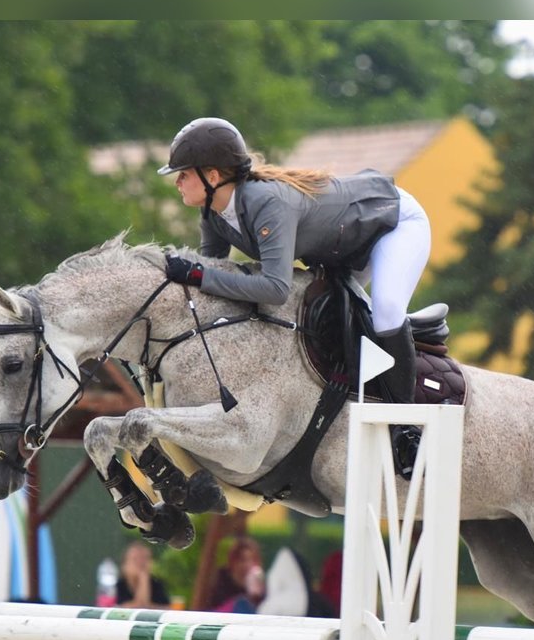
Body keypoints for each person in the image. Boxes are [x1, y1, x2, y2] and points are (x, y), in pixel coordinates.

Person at [158, 116, 432, 475]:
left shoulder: (265, 202)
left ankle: (406, 431)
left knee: (386, 311)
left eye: (183, 174)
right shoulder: (213, 213)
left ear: (212, 177)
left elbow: (274, 289)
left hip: (392, 224)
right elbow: (214, 276)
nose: (177, 182)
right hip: (341, 250)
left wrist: (197, 274)